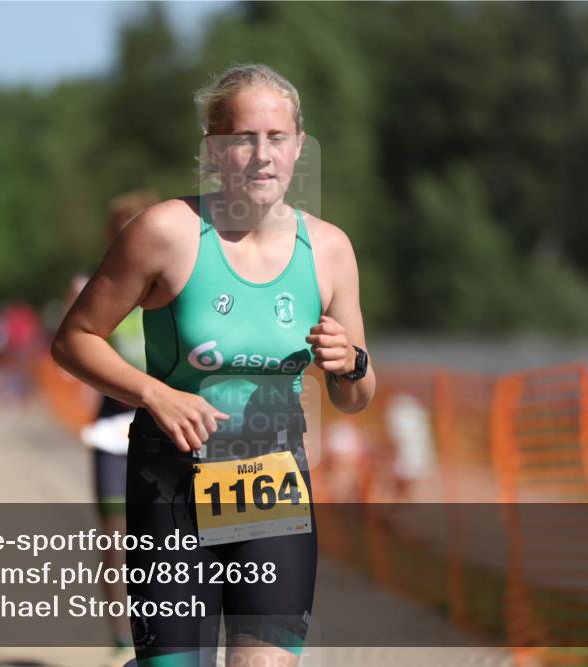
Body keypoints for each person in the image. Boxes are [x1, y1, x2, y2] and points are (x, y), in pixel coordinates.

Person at [52, 63, 375, 666]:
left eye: (277, 138)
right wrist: (155, 394)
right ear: (212, 150)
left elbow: (354, 396)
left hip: (272, 489)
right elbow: (74, 339)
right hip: (171, 487)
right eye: (241, 139)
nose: (261, 155)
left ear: (299, 146)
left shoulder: (329, 249)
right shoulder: (165, 233)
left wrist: (351, 364)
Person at [64, 190, 159, 661]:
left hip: (164, 424)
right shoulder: (95, 286)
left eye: (139, 226)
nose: (133, 236)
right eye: (123, 228)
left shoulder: (170, 284)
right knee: (115, 537)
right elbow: (70, 348)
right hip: (111, 425)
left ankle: (155, 632)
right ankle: (121, 631)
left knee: (164, 537)